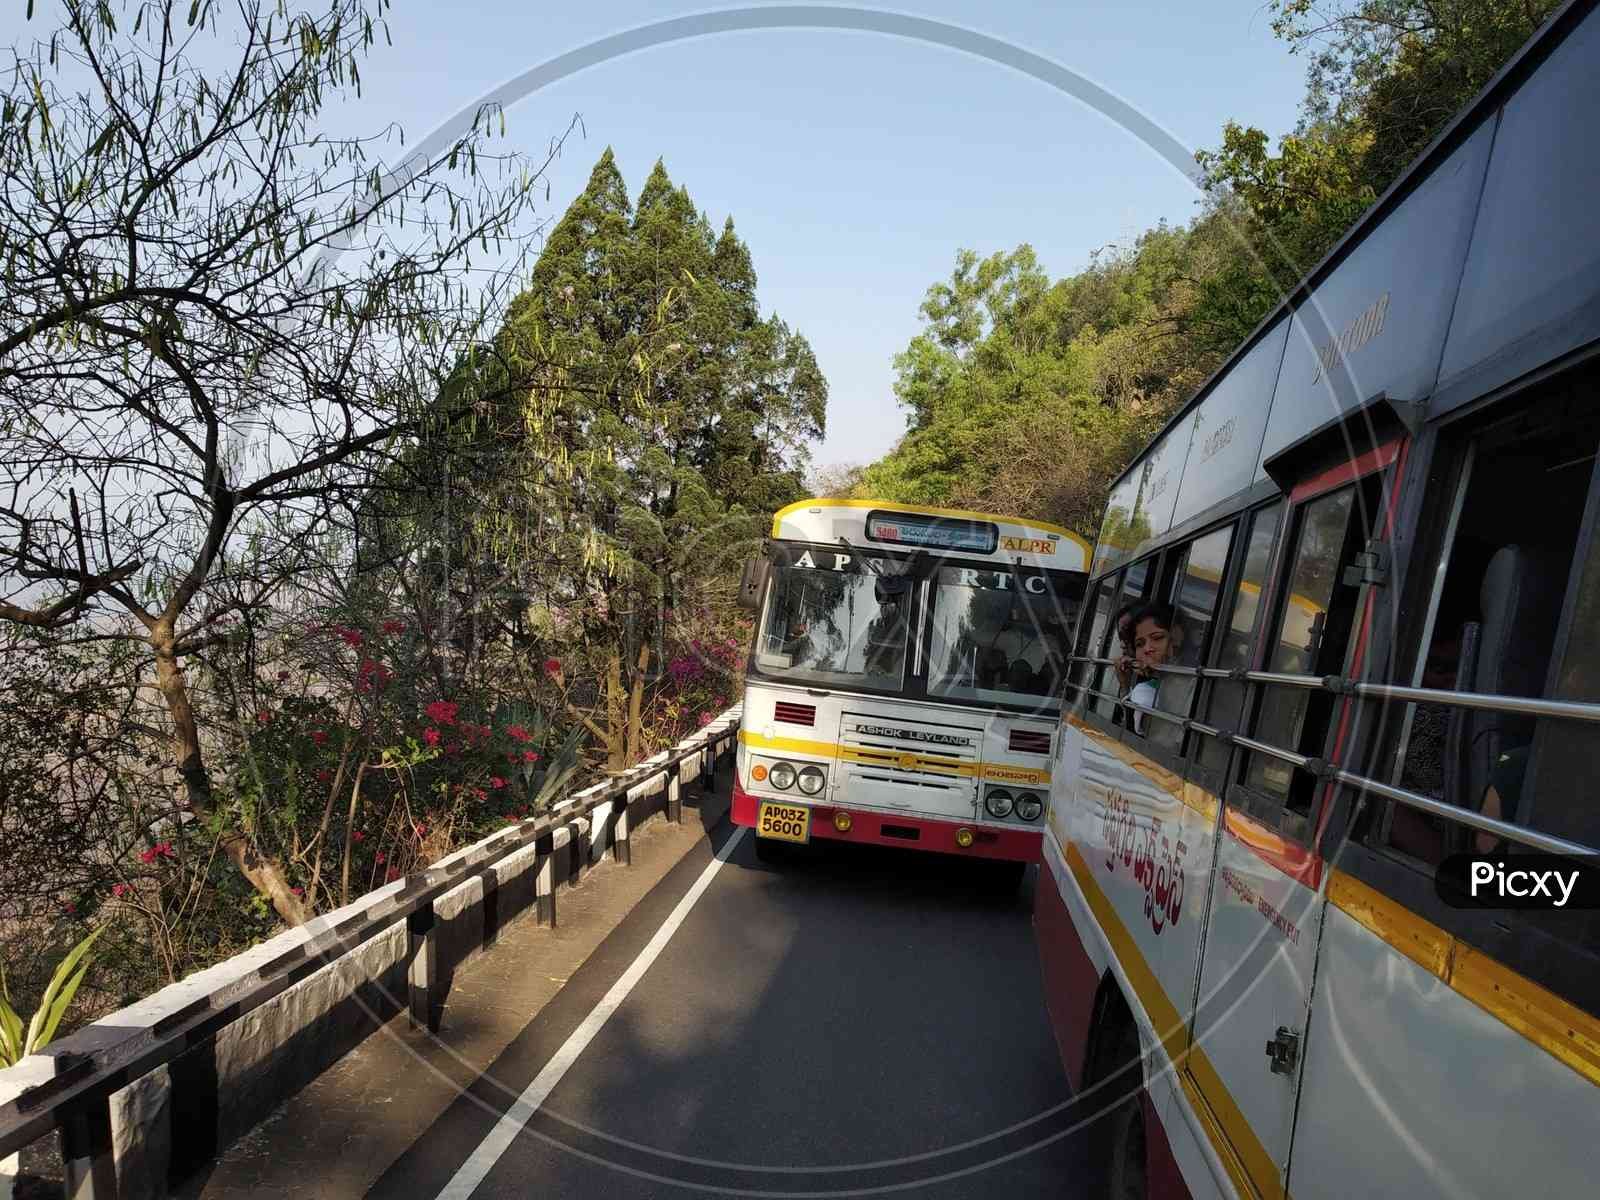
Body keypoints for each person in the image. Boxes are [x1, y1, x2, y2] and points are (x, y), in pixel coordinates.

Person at [1125, 602, 1186, 736]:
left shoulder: (1192, 683)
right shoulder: (1146, 688)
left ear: (1177, 639)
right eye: (1139, 644)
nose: (1147, 649)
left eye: (1157, 638)